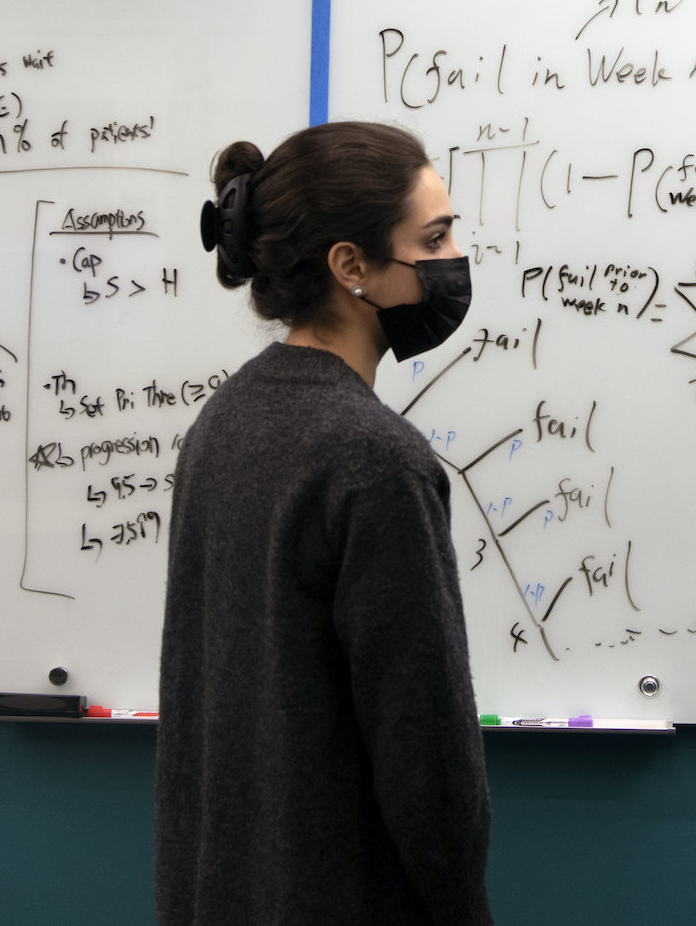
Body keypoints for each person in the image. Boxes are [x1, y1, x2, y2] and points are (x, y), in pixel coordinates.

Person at [156, 121, 492, 926]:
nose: (454, 257)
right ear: (351, 267)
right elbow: (428, 757)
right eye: (435, 236)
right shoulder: (375, 462)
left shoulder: (224, 421)